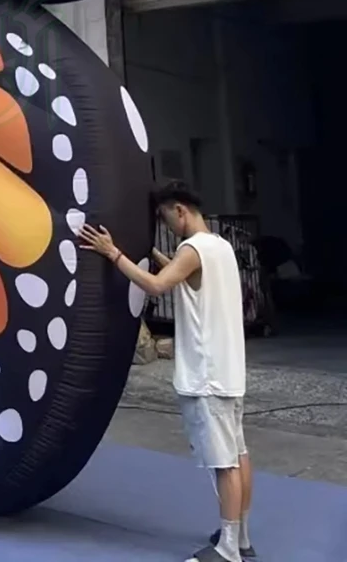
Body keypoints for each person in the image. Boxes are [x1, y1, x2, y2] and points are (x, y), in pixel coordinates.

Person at [79, 181, 254, 562]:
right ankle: (240, 537)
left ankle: (227, 549)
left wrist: (113, 254)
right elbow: (179, 272)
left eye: (166, 218)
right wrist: (149, 252)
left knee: (223, 462)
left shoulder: (193, 250)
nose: (168, 225)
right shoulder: (219, 247)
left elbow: (158, 286)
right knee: (238, 454)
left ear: (180, 211)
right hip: (229, 370)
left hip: (207, 374)